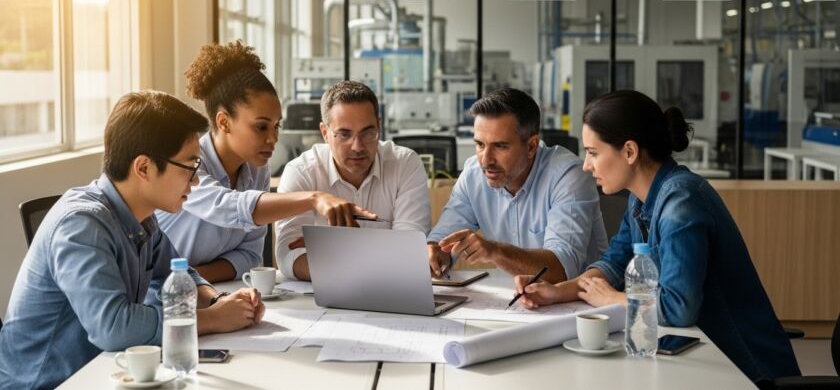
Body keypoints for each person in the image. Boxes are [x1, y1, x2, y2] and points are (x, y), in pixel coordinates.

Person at [513, 90, 800, 383]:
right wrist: (559, 291)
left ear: (629, 151)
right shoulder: (641, 199)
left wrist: (611, 298)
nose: (587, 165)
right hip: (698, 357)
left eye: (593, 152)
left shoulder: (681, 202)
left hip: (745, 370)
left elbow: (678, 309)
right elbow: (613, 264)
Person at [0, 91, 266, 390]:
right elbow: (114, 327)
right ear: (143, 168)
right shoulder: (81, 225)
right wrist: (213, 319)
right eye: (190, 167)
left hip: (103, 372)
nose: (195, 181)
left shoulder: (140, 215)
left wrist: (219, 301)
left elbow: (178, 272)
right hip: (48, 383)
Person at [156, 42, 371, 283]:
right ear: (224, 122)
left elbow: (249, 256)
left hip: (198, 288)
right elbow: (226, 206)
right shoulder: (188, 164)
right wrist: (314, 199)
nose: (273, 138)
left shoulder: (257, 171)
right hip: (157, 297)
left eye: (276, 125)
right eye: (261, 127)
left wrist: (186, 278)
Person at [427, 88, 608, 283]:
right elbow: (442, 239)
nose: (486, 160)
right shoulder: (473, 174)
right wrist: (435, 252)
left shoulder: (568, 176)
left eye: (500, 146)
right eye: (480, 144)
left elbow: (562, 270)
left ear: (531, 146)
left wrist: (495, 251)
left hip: (582, 304)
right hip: (518, 301)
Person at [275, 81, 431, 281]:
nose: (357, 147)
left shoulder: (405, 164)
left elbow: (410, 249)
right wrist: (375, 257)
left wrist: (332, 255)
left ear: (379, 127)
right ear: (325, 133)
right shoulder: (301, 172)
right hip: (325, 297)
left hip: (389, 292)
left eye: (367, 133)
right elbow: (287, 256)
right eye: (344, 134)